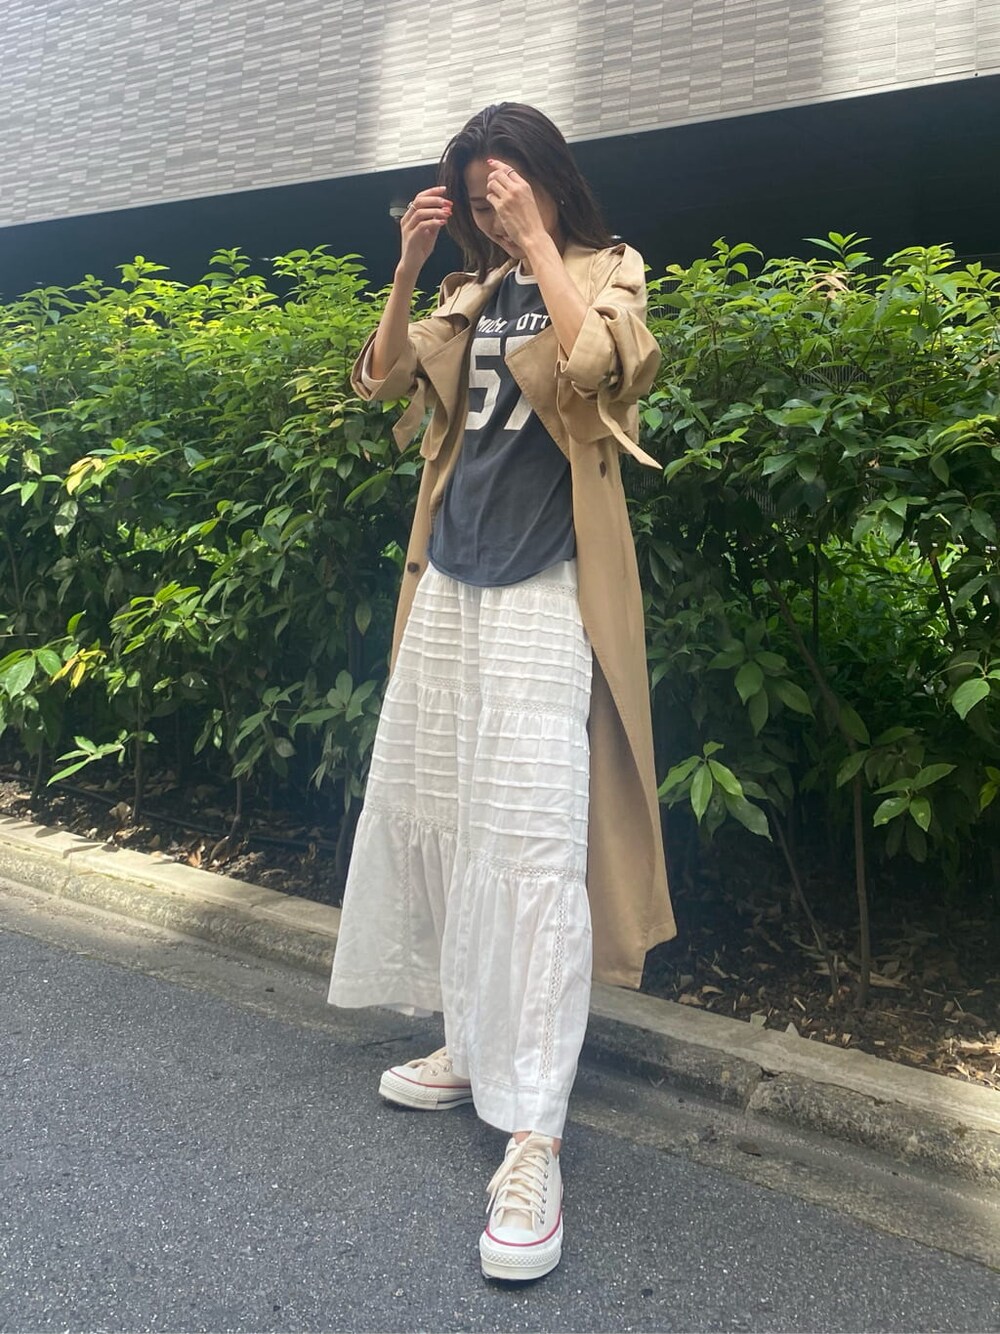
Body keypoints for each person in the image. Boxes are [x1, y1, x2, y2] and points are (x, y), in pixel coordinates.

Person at [327, 102, 676, 1282]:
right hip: (451, 578)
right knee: (446, 810)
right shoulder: (467, 291)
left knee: (531, 840)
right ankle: (469, 1042)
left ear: (543, 175)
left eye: (504, 186)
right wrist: (409, 267)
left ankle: (536, 1134)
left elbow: (603, 371)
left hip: (545, 583)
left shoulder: (606, 267)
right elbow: (380, 381)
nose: (491, 206)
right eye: (478, 196)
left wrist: (535, 242)